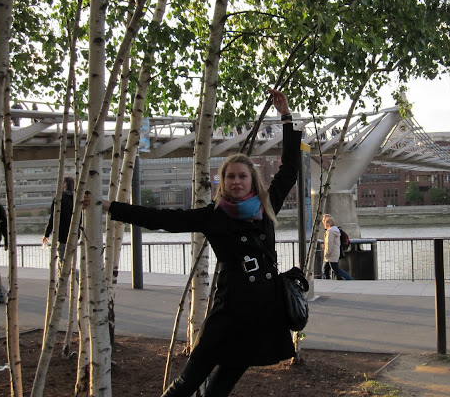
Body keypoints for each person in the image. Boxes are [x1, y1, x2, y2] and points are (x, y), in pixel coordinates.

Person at [85, 89, 300, 397]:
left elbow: (289, 168)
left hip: (261, 313)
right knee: (187, 382)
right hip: (228, 312)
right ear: (222, 182)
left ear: (252, 180)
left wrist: (286, 116)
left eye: (242, 176)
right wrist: (111, 207)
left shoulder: (267, 207)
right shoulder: (213, 216)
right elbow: (162, 218)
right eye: (230, 177)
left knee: (221, 388)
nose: (236, 182)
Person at [43, 176, 75, 263]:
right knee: (71, 260)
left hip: (62, 234)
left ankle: (66, 271)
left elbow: (53, 217)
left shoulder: (59, 198)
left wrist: (47, 234)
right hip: (75, 234)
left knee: (63, 260)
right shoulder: (76, 198)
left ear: (65, 185)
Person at [322, 214, 353, 281]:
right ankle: (328, 282)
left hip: (331, 254)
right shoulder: (335, 231)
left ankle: (348, 279)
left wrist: (327, 253)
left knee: (335, 270)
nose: (323, 223)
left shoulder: (330, 232)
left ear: (328, 223)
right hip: (335, 253)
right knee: (327, 269)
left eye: (324, 221)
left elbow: (329, 244)